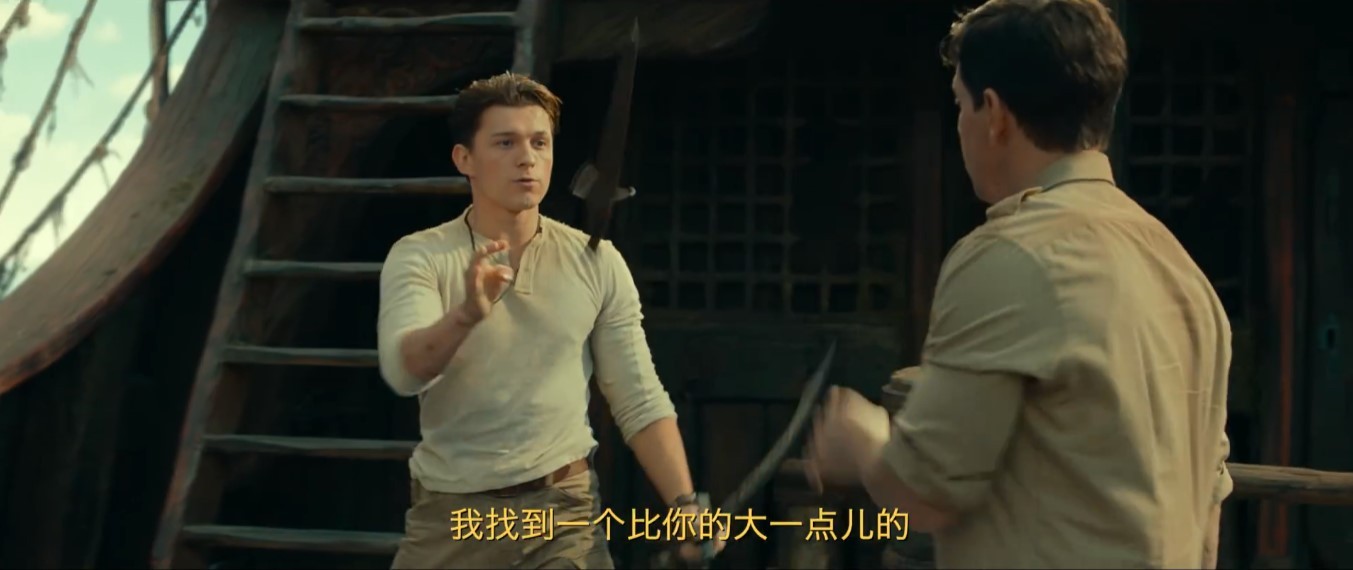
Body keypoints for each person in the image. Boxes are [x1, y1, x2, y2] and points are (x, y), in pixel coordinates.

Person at [804, 0, 1233, 568]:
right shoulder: (1181, 270)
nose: (960, 124)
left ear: (995, 114)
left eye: (960, 103)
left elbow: (924, 491)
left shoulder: (1008, 256)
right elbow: (1208, 508)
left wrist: (860, 441)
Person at [377, 71, 718, 569]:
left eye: (539, 142)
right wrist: (466, 315)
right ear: (464, 159)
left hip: (563, 514)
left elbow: (638, 394)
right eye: (505, 143)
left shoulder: (595, 260)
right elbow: (405, 371)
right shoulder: (422, 256)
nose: (527, 158)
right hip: (454, 516)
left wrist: (685, 505)